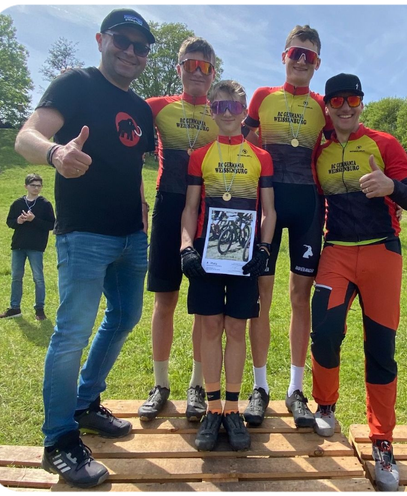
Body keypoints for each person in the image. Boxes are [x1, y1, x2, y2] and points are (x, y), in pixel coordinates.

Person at [14, 8, 155, 489]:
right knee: (72, 333)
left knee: (125, 317)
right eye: (123, 41)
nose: (131, 52)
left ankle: (85, 402)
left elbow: (133, 167)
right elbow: (26, 136)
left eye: (141, 46)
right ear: (101, 40)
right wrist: (56, 153)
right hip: (85, 235)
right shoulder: (75, 83)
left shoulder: (140, 109)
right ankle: (58, 440)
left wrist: (143, 213)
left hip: (132, 236)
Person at [310, 73, 407, 493]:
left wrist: (391, 186)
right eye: (337, 100)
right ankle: (325, 404)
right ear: (327, 107)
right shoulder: (319, 150)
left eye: (353, 99)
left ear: (361, 103)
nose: (345, 107)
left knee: (381, 347)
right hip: (337, 252)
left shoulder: (384, 143)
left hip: (382, 252)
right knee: (324, 333)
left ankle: (382, 441)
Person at [180, 80, 276, 451]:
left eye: (234, 107)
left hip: (245, 255)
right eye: (220, 107)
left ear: (243, 111)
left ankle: (233, 409)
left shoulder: (261, 156)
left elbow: (269, 211)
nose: (227, 113)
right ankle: (213, 409)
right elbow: (190, 208)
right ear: (211, 111)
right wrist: (186, 247)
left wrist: (264, 248)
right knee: (209, 327)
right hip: (208, 252)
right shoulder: (200, 155)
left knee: (236, 328)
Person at [243, 25, 331, 428]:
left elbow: (341, 147)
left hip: (308, 207)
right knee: (261, 295)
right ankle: (259, 387)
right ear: (284, 56)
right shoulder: (263, 97)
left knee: (300, 297)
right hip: (268, 206)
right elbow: (240, 142)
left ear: (317, 63)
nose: (301, 61)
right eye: (295, 53)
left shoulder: (323, 106)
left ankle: (295, 390)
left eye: (309, 56)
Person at [139, 37, 218, 423]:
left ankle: (197, 385)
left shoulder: (222, 112)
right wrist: (139, 200)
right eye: (190, 64)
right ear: (179, 68)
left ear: (214, 73)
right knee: (165, 301)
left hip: (208, 213)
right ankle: (160, 385)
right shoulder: (156, 107)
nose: (197, 72)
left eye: (205, 66)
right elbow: (124, 145)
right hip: (169, 208)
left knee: (203, 306)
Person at [0, 173, 55, 321]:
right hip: (18, 245)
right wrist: (18, 221)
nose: (36, 188)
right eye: (33, 185)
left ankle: (39, 309)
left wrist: (34, 219)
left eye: (39, 186)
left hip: (36, 246)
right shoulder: (17, 203)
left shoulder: (45, 204)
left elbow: (52, 225)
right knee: (16, 277)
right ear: (26, 186)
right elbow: (10, 222)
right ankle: (14, 308)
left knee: (38, 278)